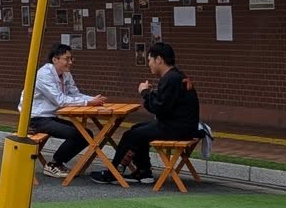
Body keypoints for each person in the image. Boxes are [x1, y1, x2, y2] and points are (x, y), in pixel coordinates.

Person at [112, 41, 201, 184]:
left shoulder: (171, 79)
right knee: (137, 130)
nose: (149, 64)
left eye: (150, 60)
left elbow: (159, 108)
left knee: (132, 134)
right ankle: (143, 171)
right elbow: (165, 103)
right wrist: (151, 94)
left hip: (176, 128)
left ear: (159, 59)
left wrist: (145, 92)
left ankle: (113, 171)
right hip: (184, 126)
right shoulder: (177, 76)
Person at [28, 43, 100, 179]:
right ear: (55, 59)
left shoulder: (65, 74)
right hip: (35, 118)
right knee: (76, 133)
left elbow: (74, 94)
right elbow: (60, 100)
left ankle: (57, 162)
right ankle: (54, 165)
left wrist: (94, 100)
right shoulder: (44, 75)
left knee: (86, 133)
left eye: (71, 59)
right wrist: (88, 102)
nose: (70, 62)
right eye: (67, 59)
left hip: (49, 117)